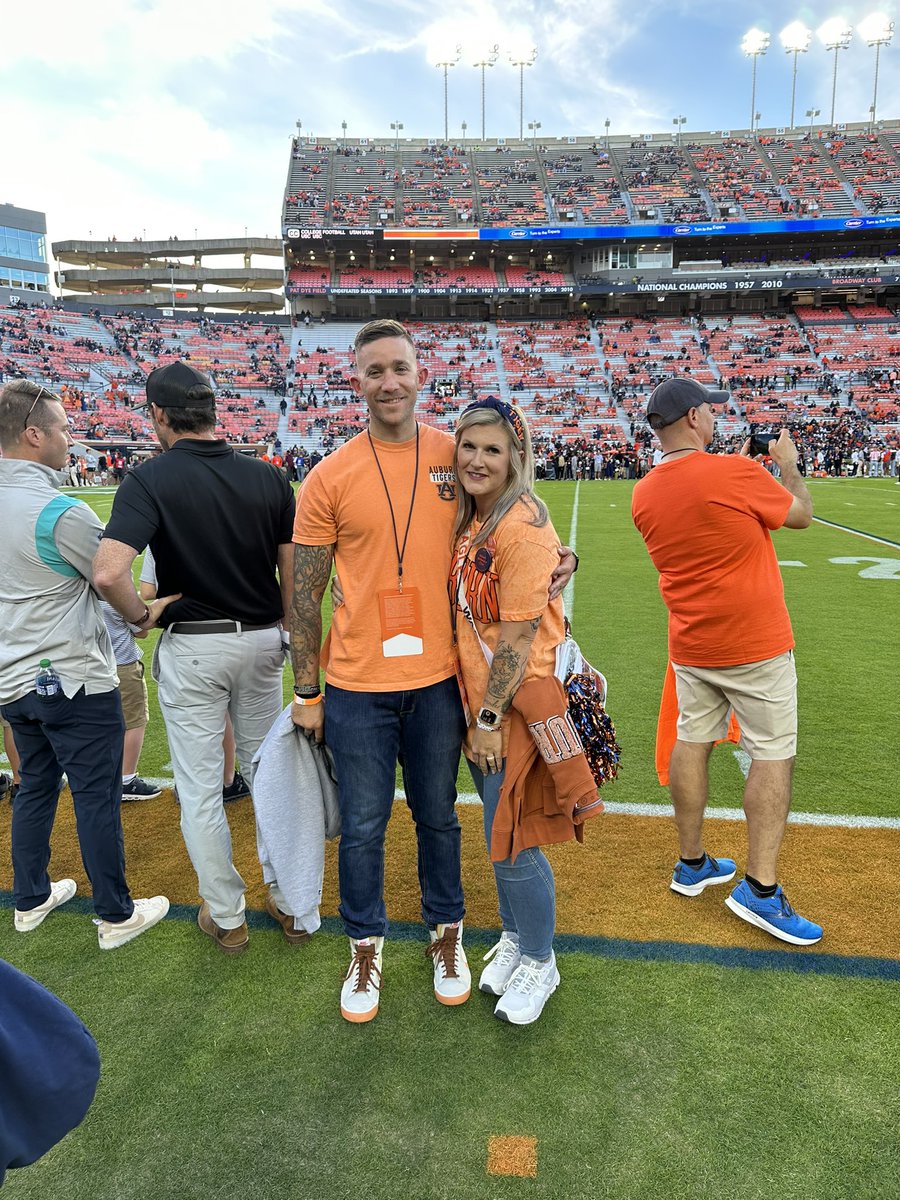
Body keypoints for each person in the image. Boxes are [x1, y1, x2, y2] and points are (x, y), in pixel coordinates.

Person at [291, 319, 576, 1024]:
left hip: (442, 683)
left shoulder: (458, 451)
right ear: (355, 380)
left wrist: (556, 559)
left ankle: (447, 937)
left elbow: (517, 524)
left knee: (439, 819)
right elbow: (301, 593)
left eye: (400, 368)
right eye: (374, 370)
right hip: (357, 684)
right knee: (361, 825)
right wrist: (306, 689)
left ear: (421, 374)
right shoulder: (328, 474)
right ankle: (365, 944)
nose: (388, 382)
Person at [93, 362, 295, 956]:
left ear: (159, 414)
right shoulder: (268, 476)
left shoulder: (150, 477)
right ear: (212, 411)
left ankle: (228, 916)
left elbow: (109, 573)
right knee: (270, 777)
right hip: (262, 642)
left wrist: (140, 616)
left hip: (196, 644)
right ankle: (288, 901)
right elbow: (295, 571)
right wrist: (283, 627)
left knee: (202, 788)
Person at [631, 375, 822, 946]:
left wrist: (734, 474)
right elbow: (800, 515)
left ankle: (692, 863)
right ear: (693, 418)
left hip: (692, 643)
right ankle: (760, 890)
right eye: (708, 411)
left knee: (694, 742)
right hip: (754, 642)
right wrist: (786, 464)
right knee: (773, 753)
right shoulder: (733, 473)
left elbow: (706, 515)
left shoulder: (645, 491)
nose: (716, 417)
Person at [0, 380, 170, 949]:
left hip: (12, 679)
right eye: (63, 429)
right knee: (96, 795)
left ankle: (30, 898)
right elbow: (109, 579)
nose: (71, 438)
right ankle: (115, 915)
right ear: (33, 434)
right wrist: (143, 614)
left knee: (35, 787)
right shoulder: (57, 509)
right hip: (70, 676)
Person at [449, 398, 597, 1025]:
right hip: (485, 700)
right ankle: (514, 936)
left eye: (493, 449)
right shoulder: (472, 515)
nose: (478, 460)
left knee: (512, 838)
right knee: (497, 828)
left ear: (516, 458)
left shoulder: (523, 523)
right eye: (470, 447)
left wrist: (486, 720)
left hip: (514, 707)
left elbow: (516, 636)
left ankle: (540, 956)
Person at [139, 547, 251, 805]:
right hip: (245, 629)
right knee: (242, 721)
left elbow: (147, 591)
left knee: (200, 721)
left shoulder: (161, 528)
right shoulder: (234, 520)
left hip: (188, 637)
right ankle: (228, 781)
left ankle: (205, 785)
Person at [98, 600, 161, 802]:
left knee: (99, 722)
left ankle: (105, 775)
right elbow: (142, 630)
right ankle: (126, 779)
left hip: (91, 667)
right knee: (135, 722)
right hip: (122, 665)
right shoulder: (113, 597)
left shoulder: (78, 590)